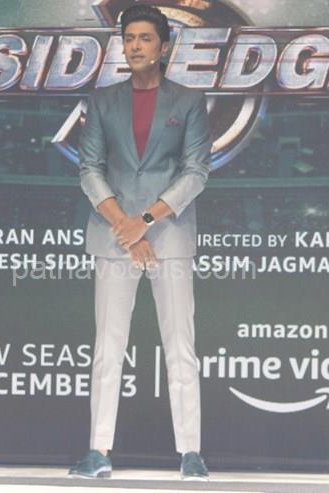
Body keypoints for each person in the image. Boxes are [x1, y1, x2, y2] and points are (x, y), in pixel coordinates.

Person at [68, 4, 210, 481]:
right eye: (129, 38)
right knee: (108, 347)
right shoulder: (102, 101)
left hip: (168, 236)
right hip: (115, 238)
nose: (135, 46)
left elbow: (196, 172)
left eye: (145, 38)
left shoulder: (189, 101)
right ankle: (98, 450)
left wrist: (144, 222)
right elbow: (89, 169)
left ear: (163, 46)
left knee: (180, 345)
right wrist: (125, 227)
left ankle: (191, 452)